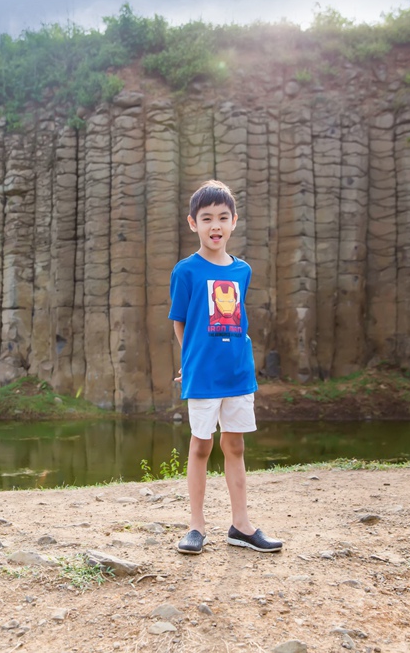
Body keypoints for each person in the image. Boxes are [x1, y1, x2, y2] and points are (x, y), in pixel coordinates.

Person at [168, 180, 283, 555]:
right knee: (200, 446)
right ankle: (196, 527)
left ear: (233, 222)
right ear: (193, 224)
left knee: (235, 445)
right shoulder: (185, 271)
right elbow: (181, 322)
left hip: (238, 373)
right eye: (206, 218)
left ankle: (241, 526)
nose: (214, 225)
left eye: (222, 217)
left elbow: (236, 321)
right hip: (203, 375)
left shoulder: (242, 270)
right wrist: (190, 361)